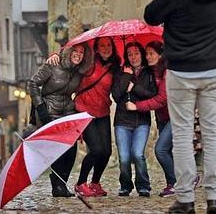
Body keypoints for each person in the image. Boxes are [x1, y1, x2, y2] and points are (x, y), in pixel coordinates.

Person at [144, 0, 216, 214]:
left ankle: (185, 199)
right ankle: (214, 199)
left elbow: (151, 16)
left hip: (181, 71)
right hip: (213, 69)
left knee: (181, 134)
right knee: (212, 133)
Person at [46, 36, 120, 197]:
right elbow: (71, 59)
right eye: (102, 45)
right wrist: (55, 54)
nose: (106, 48)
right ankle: (80, 183)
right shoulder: (89, 62)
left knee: (106, 151)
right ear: (97, 48)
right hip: (84, 111)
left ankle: (95, 183)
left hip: (103, 111)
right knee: (96, 149)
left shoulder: (115, 66)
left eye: (109, 45)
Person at [28, 43, 92, 197]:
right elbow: (33, 83)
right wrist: (41, 108)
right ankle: (57, 187)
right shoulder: (53, 64)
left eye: (82, 52)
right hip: (49, 112)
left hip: (67, 112)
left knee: (71, 150)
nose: (78, 54)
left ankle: (61, 184)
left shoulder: (78, 71)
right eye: (75, 51)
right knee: (57, 151)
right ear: (68, 52)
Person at [125, 41, 177, 198]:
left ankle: (179, 182)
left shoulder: (167, 72)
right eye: (146, 53)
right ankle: (173, 184)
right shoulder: (153, 71)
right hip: (162, 116)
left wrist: (137, 106)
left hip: (175, 116)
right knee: (168, 151)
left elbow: (161, 99)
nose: (147, 57)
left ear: (161, 55)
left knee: (160, 150)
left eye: (151, 53)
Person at [111, 42, 155, 197]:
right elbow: (116, 95)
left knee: (138, 154)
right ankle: (125, 185)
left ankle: (143, 186)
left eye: (136, 53)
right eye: (130, 54)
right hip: (122, 121)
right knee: (124, 157)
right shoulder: (120, 72)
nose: (133, 56)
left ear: (141, 54)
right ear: (126, 57)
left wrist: (134, 87)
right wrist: (127, 76)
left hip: (141, 121)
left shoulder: (149, 72)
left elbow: (152, 95)